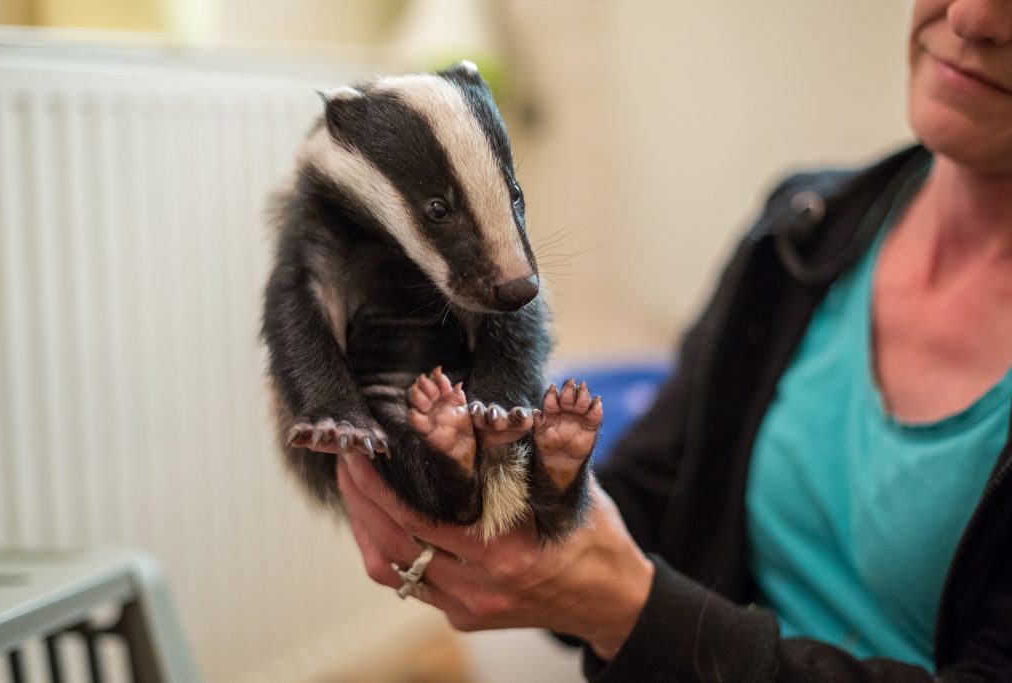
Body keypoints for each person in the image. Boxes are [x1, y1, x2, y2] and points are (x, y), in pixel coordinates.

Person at [335, 0, 1012, 679]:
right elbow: (644, 499)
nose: (972, 17)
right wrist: (511, 500)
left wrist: (626, 607)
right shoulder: (803, 229)